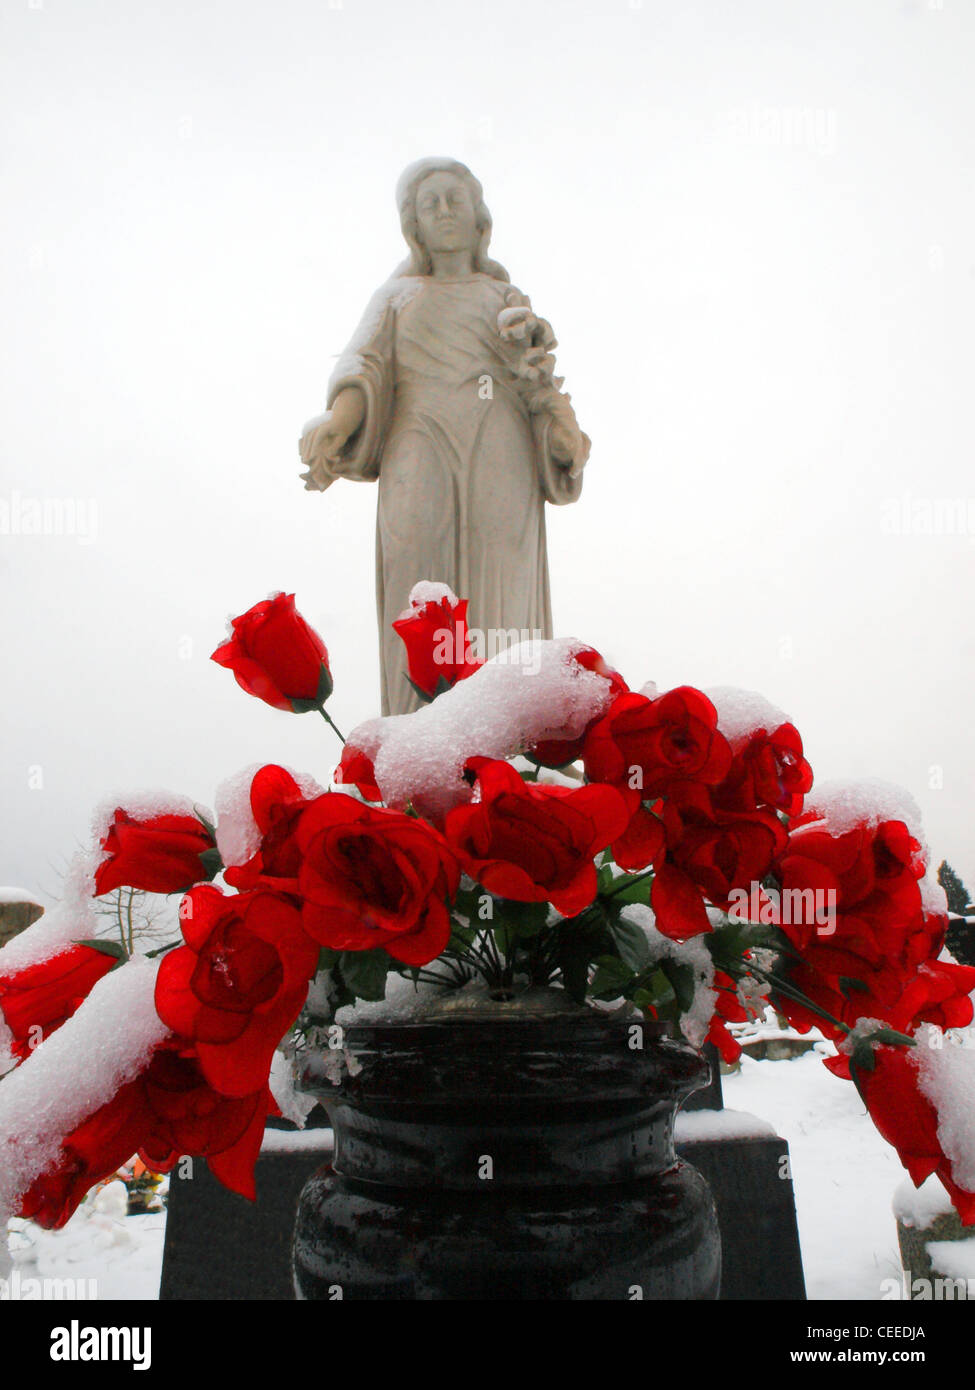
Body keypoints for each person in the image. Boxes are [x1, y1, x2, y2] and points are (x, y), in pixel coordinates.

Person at [299, 156, 589, 715]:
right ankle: (420, 735)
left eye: (455, 198)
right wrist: (338, 422)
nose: (444, 211)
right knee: (420, 577)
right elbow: (367, 365)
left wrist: (560, 434)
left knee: (500, 579)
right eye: (429, 204)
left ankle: (511, 735)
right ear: (413, 224)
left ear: (480, 215)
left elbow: (537, 381)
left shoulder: (503, 298)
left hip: (498, 444)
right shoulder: (396, 297)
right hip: (419, 440)